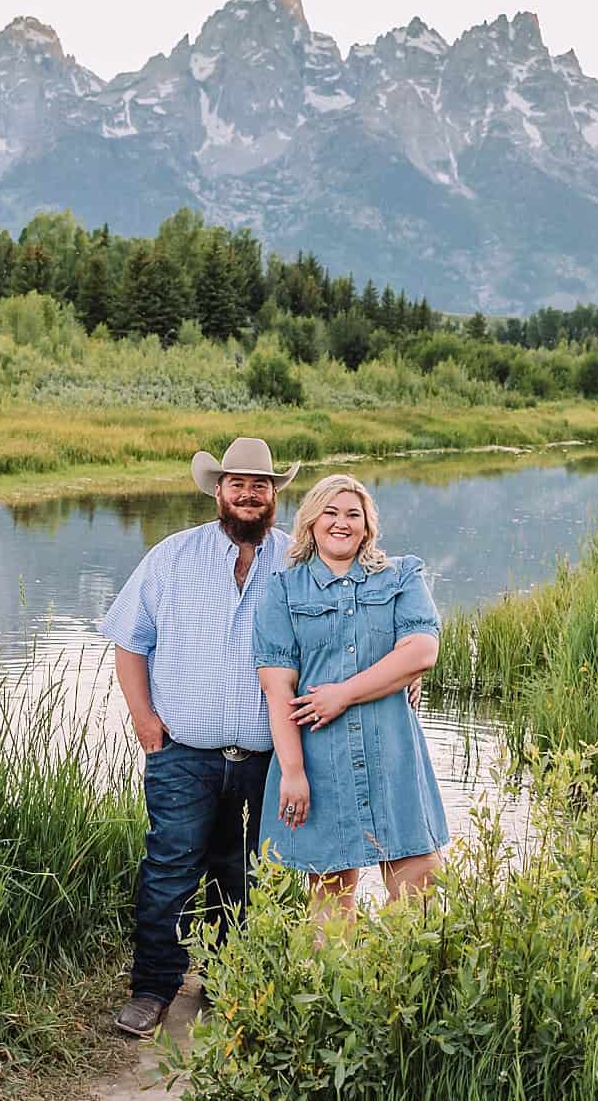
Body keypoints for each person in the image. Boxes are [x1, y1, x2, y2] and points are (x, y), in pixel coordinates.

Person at [98, 436, 298, 1039]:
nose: (247, 494)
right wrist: (143, 719)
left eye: (259, 485)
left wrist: (406, 671)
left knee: (256, 874)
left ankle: (235, 980)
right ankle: (155, 988)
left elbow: (348, 622)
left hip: (269, 755)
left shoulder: (297, 561)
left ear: (272, 496)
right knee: (170, 868)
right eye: (236, 483)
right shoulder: (172, 557)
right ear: (218, 491)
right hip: (182, 752)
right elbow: (130, 641)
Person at [253, 472, 447, 917]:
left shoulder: (401, 577)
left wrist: (344, 694)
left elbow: (421, 651)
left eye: (353, 514)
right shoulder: (283, 590)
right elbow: (277, 688)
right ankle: (336, 984)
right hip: (323, 757)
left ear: (367, 526)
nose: (342, 523)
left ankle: (410, 984)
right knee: (331, 890)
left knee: (419, 879)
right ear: (311, 523)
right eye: (331, 512)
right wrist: (293, 771)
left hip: (393, 751)